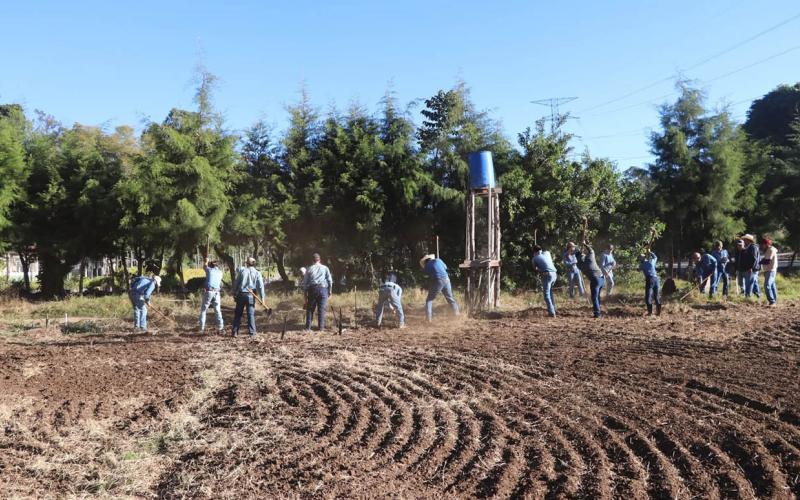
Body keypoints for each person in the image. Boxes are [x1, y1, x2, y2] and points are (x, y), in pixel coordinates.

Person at [231, 257, 265, 337]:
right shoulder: (257, 273)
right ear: (254, 264)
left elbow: (236, 282)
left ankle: (235, 332)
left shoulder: (242, 271)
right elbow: (260, 286)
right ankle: (252, 333)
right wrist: (262, 298)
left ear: (246, 263)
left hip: (241, 294)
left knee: (238, 314)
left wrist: (234, 293)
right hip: (250, 295)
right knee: (251, 314)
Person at [420, 254, 460, 322]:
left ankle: (428, 319)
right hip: (446, 279)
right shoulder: (438, 260)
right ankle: (457, 314)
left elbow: (428, 276)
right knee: (450, 298)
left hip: (438, 280)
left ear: (425, 261)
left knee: (429, 300)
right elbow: (445, 267)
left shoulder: (426, 266)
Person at [301, 253, 333, 331]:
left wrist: (305, 294)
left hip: (313, 289)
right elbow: (330, 281)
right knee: (321, 309)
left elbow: (305, 283)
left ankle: (308, 327)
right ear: (319, 260)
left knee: (310, 309)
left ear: (312, 261)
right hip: (323, 289)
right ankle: (321, 328)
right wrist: (330, 291)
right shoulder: (325, 268)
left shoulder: (309, 269)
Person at [576, 240, 604, 318]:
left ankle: (597, 313)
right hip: (601, 278)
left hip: (595, 280)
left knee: (594, 297)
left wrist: (580, 252)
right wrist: (585, 245)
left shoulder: (579, 265)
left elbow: (581, 257)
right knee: (597, 296)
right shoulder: (589, 259)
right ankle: (598, 311)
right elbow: (591, 251)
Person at [198, 257, 224, 334]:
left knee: (203, 310)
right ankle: (220, 327)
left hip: (209, 292)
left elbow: (204, 267)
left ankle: (201, 328)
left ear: (211, 265)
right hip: (217, 292)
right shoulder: (220, 272)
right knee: (217, 310)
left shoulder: (209, 270)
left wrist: (206, 261)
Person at [532, 245, 558, 317]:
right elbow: (545, 252)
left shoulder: (534, 258)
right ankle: (554, 309)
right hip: (554, 274)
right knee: (550, 293)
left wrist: (535, 257)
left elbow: (535, 268)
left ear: (534, 251)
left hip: (547, 275)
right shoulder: (547, 253)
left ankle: (552, 312)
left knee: (546, 295)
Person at [638, 246, 661, 316]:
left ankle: (650, 313)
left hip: (650, 280)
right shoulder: (651, 261)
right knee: (656, 296)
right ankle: (658, 312)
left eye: (639, 258)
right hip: (656, 279)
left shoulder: (642, 265)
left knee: (648, 296)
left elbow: (639, 270)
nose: (639, 259)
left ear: (641, 259)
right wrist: (650, 252)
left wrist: (649, 252)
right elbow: (655, 257)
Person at [739, 234, 761, 298]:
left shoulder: (753, 247)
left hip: (752, 268)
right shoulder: (749, 247)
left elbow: (754, 259)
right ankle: (758, 295)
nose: (744, 241)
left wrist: (751, 267)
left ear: (749, 240)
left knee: (749, 283)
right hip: (753, 268)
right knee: (754, 282)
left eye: (745, 239)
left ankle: (748, 296)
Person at [761, 238, 778, 306]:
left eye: (763, 244)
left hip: (770, 270)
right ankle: (774, 301)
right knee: (772, 285)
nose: (762, 246)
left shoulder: (770, 250)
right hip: (770, 270)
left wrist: (759, 262)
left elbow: (767, 261)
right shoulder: (769, 249)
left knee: (767, 285)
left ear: (766, 244)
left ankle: (772, 301)